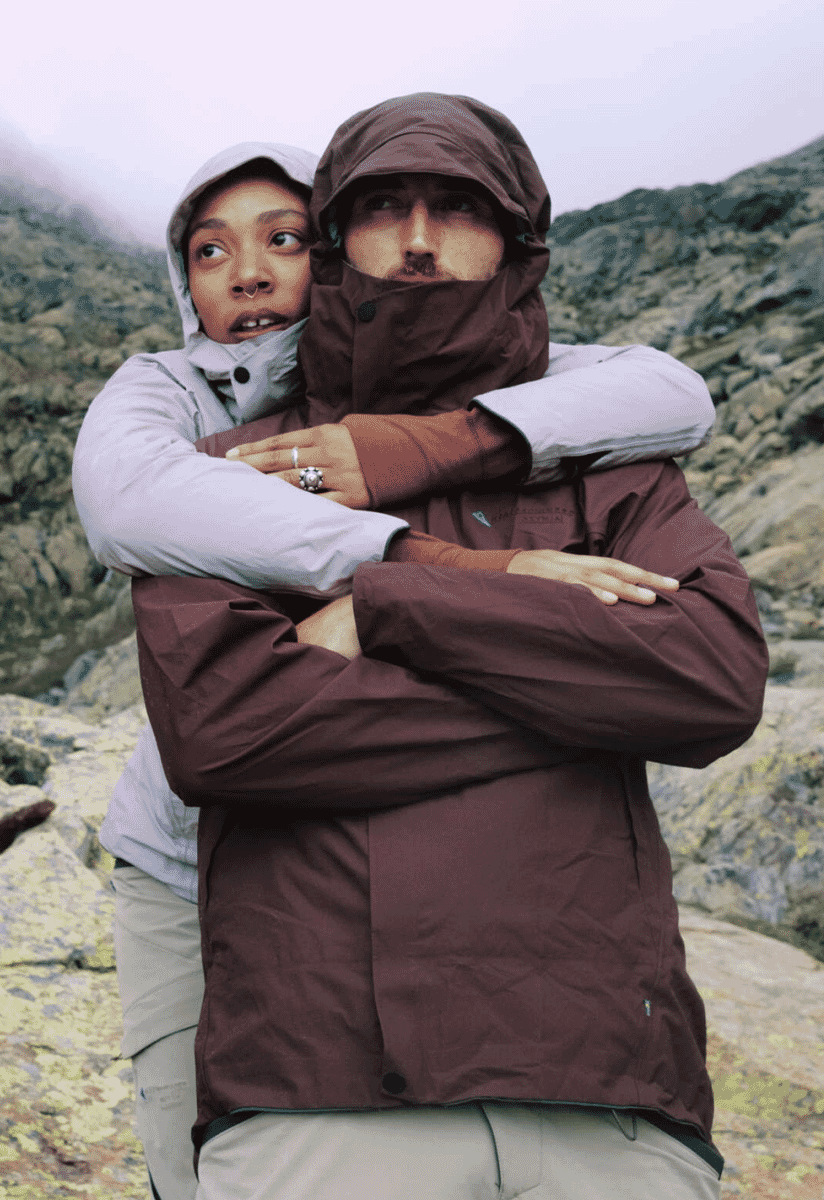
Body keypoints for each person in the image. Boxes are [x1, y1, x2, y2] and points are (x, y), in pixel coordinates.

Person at [129, 94, 768, 1199]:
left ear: (518, 246)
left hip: (612, 1100)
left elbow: (709, 678)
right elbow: (225, 732)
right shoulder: (236, 472)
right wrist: (580, 698)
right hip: (319, 1102)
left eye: (459, 209)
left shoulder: (613, 468)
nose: (419, 241)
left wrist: (386, 607)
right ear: (337, 243)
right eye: (384, 209)